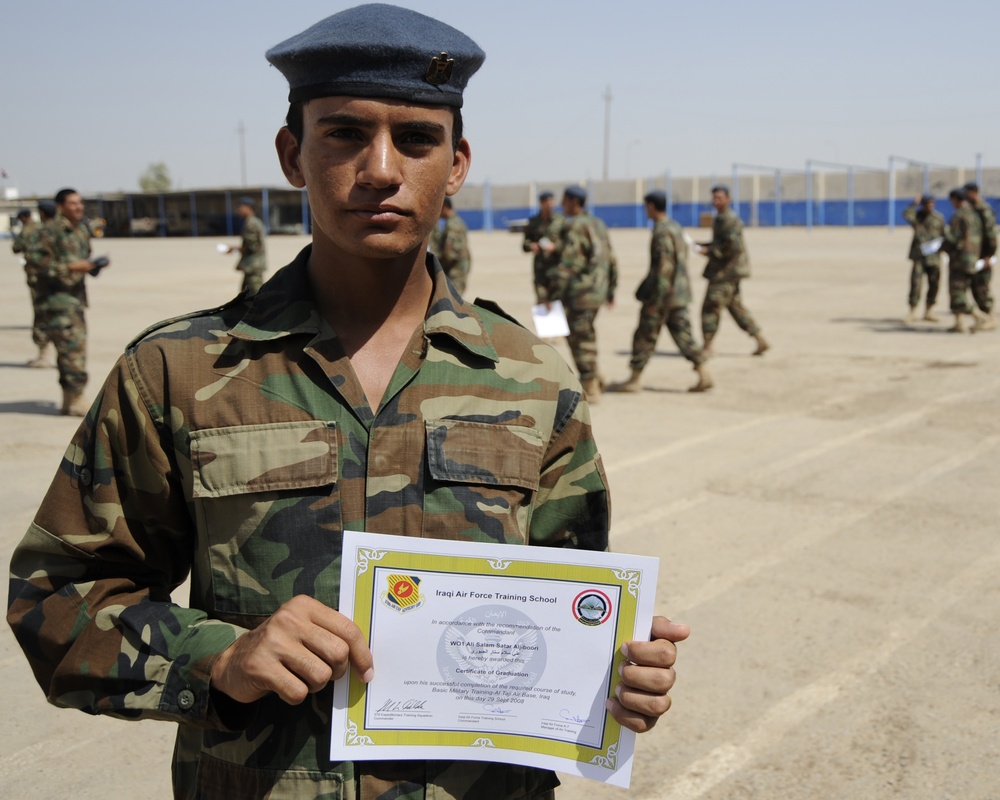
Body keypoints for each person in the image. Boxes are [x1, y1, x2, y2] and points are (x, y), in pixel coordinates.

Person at [7, 6, 688, 799]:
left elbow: (567, 610)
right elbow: (57, 597)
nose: (381, 169)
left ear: (458, 162)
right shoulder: (178, 372)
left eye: (417, 140)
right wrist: (216, 657)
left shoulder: (531, 378)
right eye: (344, 134)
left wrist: (616, 672)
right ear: (293, 154)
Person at [609, 190, 711, 393]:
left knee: (644, 336)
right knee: (684, 335)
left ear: (652, 207)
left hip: (663, 296)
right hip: (679, 293)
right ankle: (704, 373)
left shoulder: (662, 230)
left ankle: (634, 379)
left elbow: (665, 265)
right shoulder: (675, 227)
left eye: (646, 206)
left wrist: (657, 296)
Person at [34, 188, 109, 415]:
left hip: (74, 299)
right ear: (60, 206)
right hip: (57, 302)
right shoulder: (50, 231)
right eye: (73, 203)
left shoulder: (79, 231)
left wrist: (91, 266)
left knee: (70, 351)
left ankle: (69, 400)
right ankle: (76, 399)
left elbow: (81, 259)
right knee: (73, 352)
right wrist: (70, 267)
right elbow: (36, 264)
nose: (79, 207)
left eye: (80, 203)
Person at [547, 184, 617, 403]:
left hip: (581, 294)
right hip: (598, 290)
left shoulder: (576, 227)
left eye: (564, 201)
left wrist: (552, 293)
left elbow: (569, 264)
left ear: (574, 203)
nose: (561, 205)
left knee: (580, 340)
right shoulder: (598, 224)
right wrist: (611, 289)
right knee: (586, 334)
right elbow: (611, 259)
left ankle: (590, 386)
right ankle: (596, 376)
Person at [696, 184, 768, 357]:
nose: (716, 201)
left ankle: (707, 346)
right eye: (714, 197)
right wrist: (705, 245)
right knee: (735, 306)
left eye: (720, 197)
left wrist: (710, 252)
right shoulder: (720, 218)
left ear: (728, 199)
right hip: (728, 271)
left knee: (710, 307)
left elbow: (732, 248)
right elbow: (722, 243)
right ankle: (759, 338)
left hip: (726, 272)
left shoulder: (729, 219)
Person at [12, 205, 57, 367]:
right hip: (59, 282)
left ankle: (44, 356)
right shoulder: (50, 229)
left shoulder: (29, 231)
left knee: (41, 315)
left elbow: (16, 248)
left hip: (38, 280)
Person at [942, 187, 982, 333]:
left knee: (957, 292)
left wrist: (941, 245)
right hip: (972, 258)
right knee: (961, 290)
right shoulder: (974, 214)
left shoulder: (959, 216)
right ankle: (958, 323)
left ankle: (979, 316)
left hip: (960, 259)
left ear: (955, 200)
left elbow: (953, 238)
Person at [902, 194, 946, 323]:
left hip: (934, 257)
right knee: (916, 284)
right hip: (919, 256)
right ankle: (913, 311)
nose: (930, 207)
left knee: (934, 284)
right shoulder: (917, 217)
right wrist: (914, 203)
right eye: (927, 204)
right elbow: (906, 214)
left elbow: (944, 235)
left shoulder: (938, 218)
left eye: (932, 204)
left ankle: (929, 310)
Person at [963, 181, 997, 330]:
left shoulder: (984, 210)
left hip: (984, 256)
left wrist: (989, 255)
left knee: (982, 287)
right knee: (975, 286)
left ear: (973, 192)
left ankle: (991, 317)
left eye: (967, 193)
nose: (965, 196)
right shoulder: (972, 209)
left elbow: (991, 235)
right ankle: (985, 317)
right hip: (974, 255)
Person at [522, 190, 564, 303]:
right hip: (540, 267)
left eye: (551, 202)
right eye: (547, 202)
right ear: (541, 203)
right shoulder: (533, 222)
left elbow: (568, 242)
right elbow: (525, 244)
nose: (550, 205)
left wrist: (556, 246)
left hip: (557, 266)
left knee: (557, 300)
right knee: (542, 299)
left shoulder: (560, 221)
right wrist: (531, 246)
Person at [429, 195, 471, 293]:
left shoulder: (453, 225)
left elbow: (450, 253)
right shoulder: (457, 222)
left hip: (454, 271)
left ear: (445, 206)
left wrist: (438, 262)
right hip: (458, 269)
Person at [228, 196, 267, 295]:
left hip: (253, 264)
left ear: (248, 207)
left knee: (256, 294)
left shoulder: (251, 223)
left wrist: (236, 249)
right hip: (252, 265)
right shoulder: (253, 221)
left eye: (240, 207)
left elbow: (252, 247)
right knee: (246, 295)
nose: (238, 210)